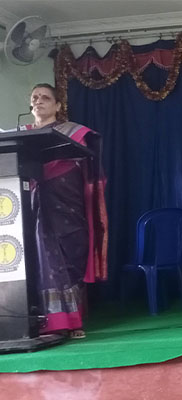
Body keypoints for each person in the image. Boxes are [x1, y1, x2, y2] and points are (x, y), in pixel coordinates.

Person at [24, 83, 108, 339]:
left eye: (45, 97)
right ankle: (50, 321)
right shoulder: (21, 135)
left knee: (69, 256)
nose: (38, 101)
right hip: (32, 205)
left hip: (67, 205)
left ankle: (73, 320)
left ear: (58, 105)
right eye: (35, 97)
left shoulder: (74, 133)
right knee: (41, 255)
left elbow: (91, 169)